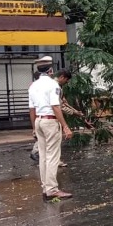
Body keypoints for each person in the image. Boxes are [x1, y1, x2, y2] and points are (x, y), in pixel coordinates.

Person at [28, 56, 73, 201]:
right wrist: (65, 126)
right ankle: (52, 190)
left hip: (39, 121)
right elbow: (55, 106)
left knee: (43, 156)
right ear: (51, 70)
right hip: (50, 122)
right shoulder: (53, 85)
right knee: (53, 156)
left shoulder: (33, 85)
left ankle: (45, 188)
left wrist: (33, 127)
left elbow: (31, 109)